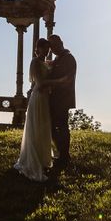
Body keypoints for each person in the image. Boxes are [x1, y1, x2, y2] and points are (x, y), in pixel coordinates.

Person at [14, 38, 52, 182]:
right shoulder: (35, 62)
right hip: (39, 96)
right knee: (36, 127)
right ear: (38, 49)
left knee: (43, 127)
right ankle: (33, 160)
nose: (47, 51)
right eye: (44, 48)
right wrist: (58, 81)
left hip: (45, 99)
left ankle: (42, 159)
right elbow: (40, 83)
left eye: (48, 49)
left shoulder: (44, 63)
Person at [45, 34, 77, 169]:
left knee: (62, 127)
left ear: (61, 43)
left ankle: (64, 155)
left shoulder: (68, 58)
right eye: (51, 47)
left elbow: (66, 79)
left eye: (54, 46)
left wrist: (48, 82)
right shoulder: (59, 58)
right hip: (55, 98)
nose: (52, 49)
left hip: (63, 98)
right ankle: (61, 152)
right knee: (52, 127)